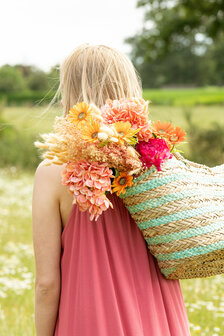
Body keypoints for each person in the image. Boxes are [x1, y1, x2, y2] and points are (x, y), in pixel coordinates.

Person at [32, 43, 191, 336]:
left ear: (70, 91)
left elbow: (46, 285)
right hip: (159, 321)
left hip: (87, 323)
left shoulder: (52, 172)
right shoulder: (157, 161)